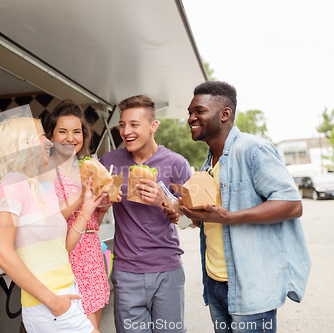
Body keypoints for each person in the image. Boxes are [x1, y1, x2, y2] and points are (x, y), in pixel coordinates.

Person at [182, 81, 311, 333]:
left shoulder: (253, 150)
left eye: (199, 111)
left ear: (225, 114)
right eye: (189, 112)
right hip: (215, 282)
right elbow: (214, 219)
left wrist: (232, 217)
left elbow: (292, 205)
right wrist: (186, 215)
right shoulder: (208, 164)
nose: (191, 118)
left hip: (249, 286)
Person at [0, 116, 107, 333]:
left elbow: (61, 249)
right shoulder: (13, 183)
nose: (49, 142)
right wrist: (53, 302)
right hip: (49, 306)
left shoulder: (43, 188)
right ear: (25, 143)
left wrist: (87, 209)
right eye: (42, 135)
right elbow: (3, 254)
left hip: (68, 296)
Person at [100, 95, 191, 333]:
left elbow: (191, 221)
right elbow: (99, 207)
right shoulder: (110, 162)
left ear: (153, 126)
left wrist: (165, 200)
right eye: (122, 125)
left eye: (134, 124)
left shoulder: (175, 164)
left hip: (166, 270)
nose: (126, 131)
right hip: (126, 270)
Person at [43, 100, 111, 330]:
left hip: (91, 257)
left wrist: (101, 207)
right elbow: (48, 220)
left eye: (76, 132)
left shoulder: (87, 167)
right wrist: (81, 198)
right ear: (51, 135)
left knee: (93, 326)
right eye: (62, 131)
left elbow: (94, 221)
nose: (71, 138)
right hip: (66, 259)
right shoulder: (46, 170)